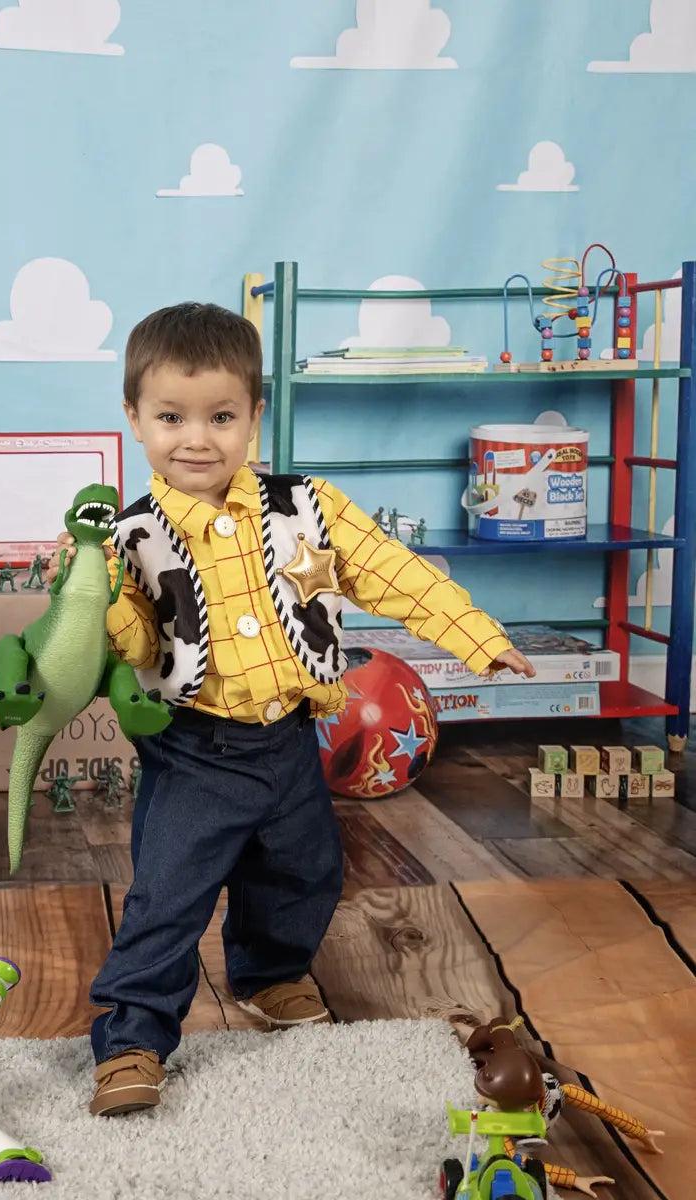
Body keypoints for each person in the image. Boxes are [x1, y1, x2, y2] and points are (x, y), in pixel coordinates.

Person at [47, 302, 535, 1118]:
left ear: (255, 418)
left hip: (287, 739)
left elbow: (390, 570)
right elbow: (131, 646)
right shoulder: (130, 537)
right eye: (170, 417)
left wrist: (477, 636)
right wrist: (89, 585)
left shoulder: (306, 506)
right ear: (133, 418)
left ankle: (269, 975)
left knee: (303, 871)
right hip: (194, 750)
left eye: (221, 416)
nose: (196, 439)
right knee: (169, 893)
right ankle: (132, 1036)